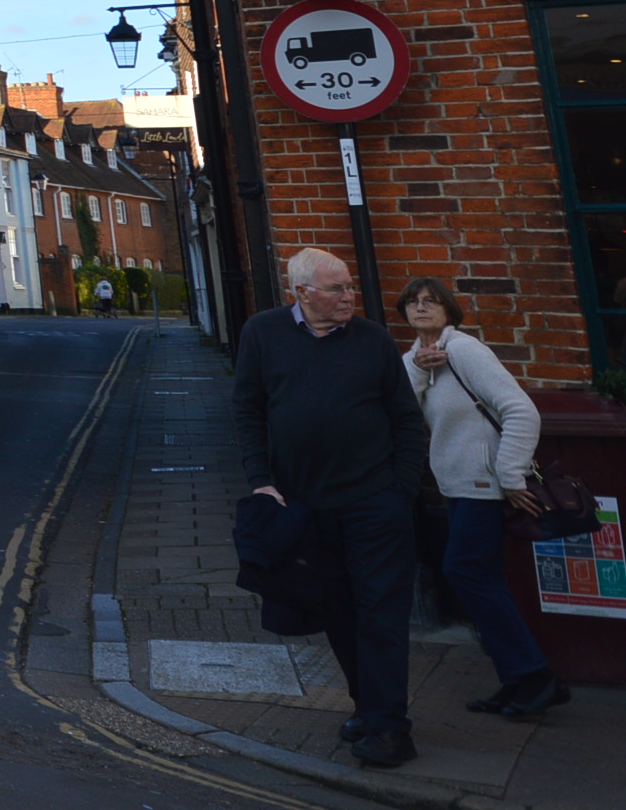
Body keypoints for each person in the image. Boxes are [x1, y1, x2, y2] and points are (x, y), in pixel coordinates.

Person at [233, 248, 430, 770]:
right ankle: (368, 707)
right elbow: (248, 409)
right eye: (337, 288)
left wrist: (401, 490)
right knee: (338, 613)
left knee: (381, 615)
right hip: (306, 506)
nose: (349, 296)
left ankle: (391, 730)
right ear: (302, 293)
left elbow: (406, 419)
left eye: (350, 286)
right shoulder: (262, 333)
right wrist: (260, 482)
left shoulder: (373, 339)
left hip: (375, 503)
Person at [398, 277, 567, 721]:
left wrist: (511, 475)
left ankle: (534, 675)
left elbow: (521, 410)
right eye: (412, 302)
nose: (421, 308)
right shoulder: (413, 360)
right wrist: (419, 367)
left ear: (449, 310)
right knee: (484, 576)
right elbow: (397, 409)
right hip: (456, 486)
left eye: (431, 301)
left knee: (464, 569)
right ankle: (517, 680)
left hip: (486, 485)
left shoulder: (466, 351)